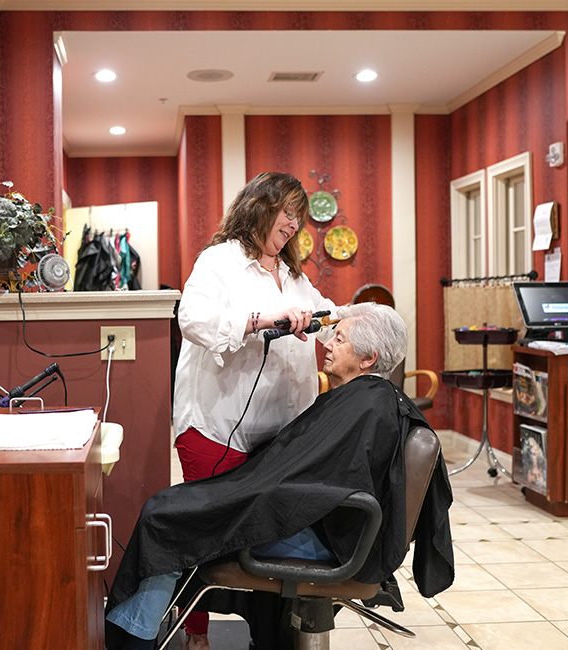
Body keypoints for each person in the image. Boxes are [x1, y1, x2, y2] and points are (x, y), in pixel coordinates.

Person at [105, 303, 455, 650]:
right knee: (170, 511)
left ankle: (132, 644)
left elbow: (328, 482)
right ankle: (135, 638)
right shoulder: (365, 399)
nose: (327, 345)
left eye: (339, 339)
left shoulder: (369, 406)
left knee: (167, 521)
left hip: (327, 539)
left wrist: (246, 497)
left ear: (367, 358)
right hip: (319, 525)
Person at [172, 172, 335, 648]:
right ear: (260, 206)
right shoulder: (219, 261)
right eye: (288, 212)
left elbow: (324, 315)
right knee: (207, 537)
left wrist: (350, 320)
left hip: (281, 436)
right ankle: (195, 634)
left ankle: (266, 637)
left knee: (269, 541)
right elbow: (193, 320)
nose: (294, 225)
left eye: (299, 217)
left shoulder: (293, 274)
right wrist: (260, 320)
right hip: (217, 427)